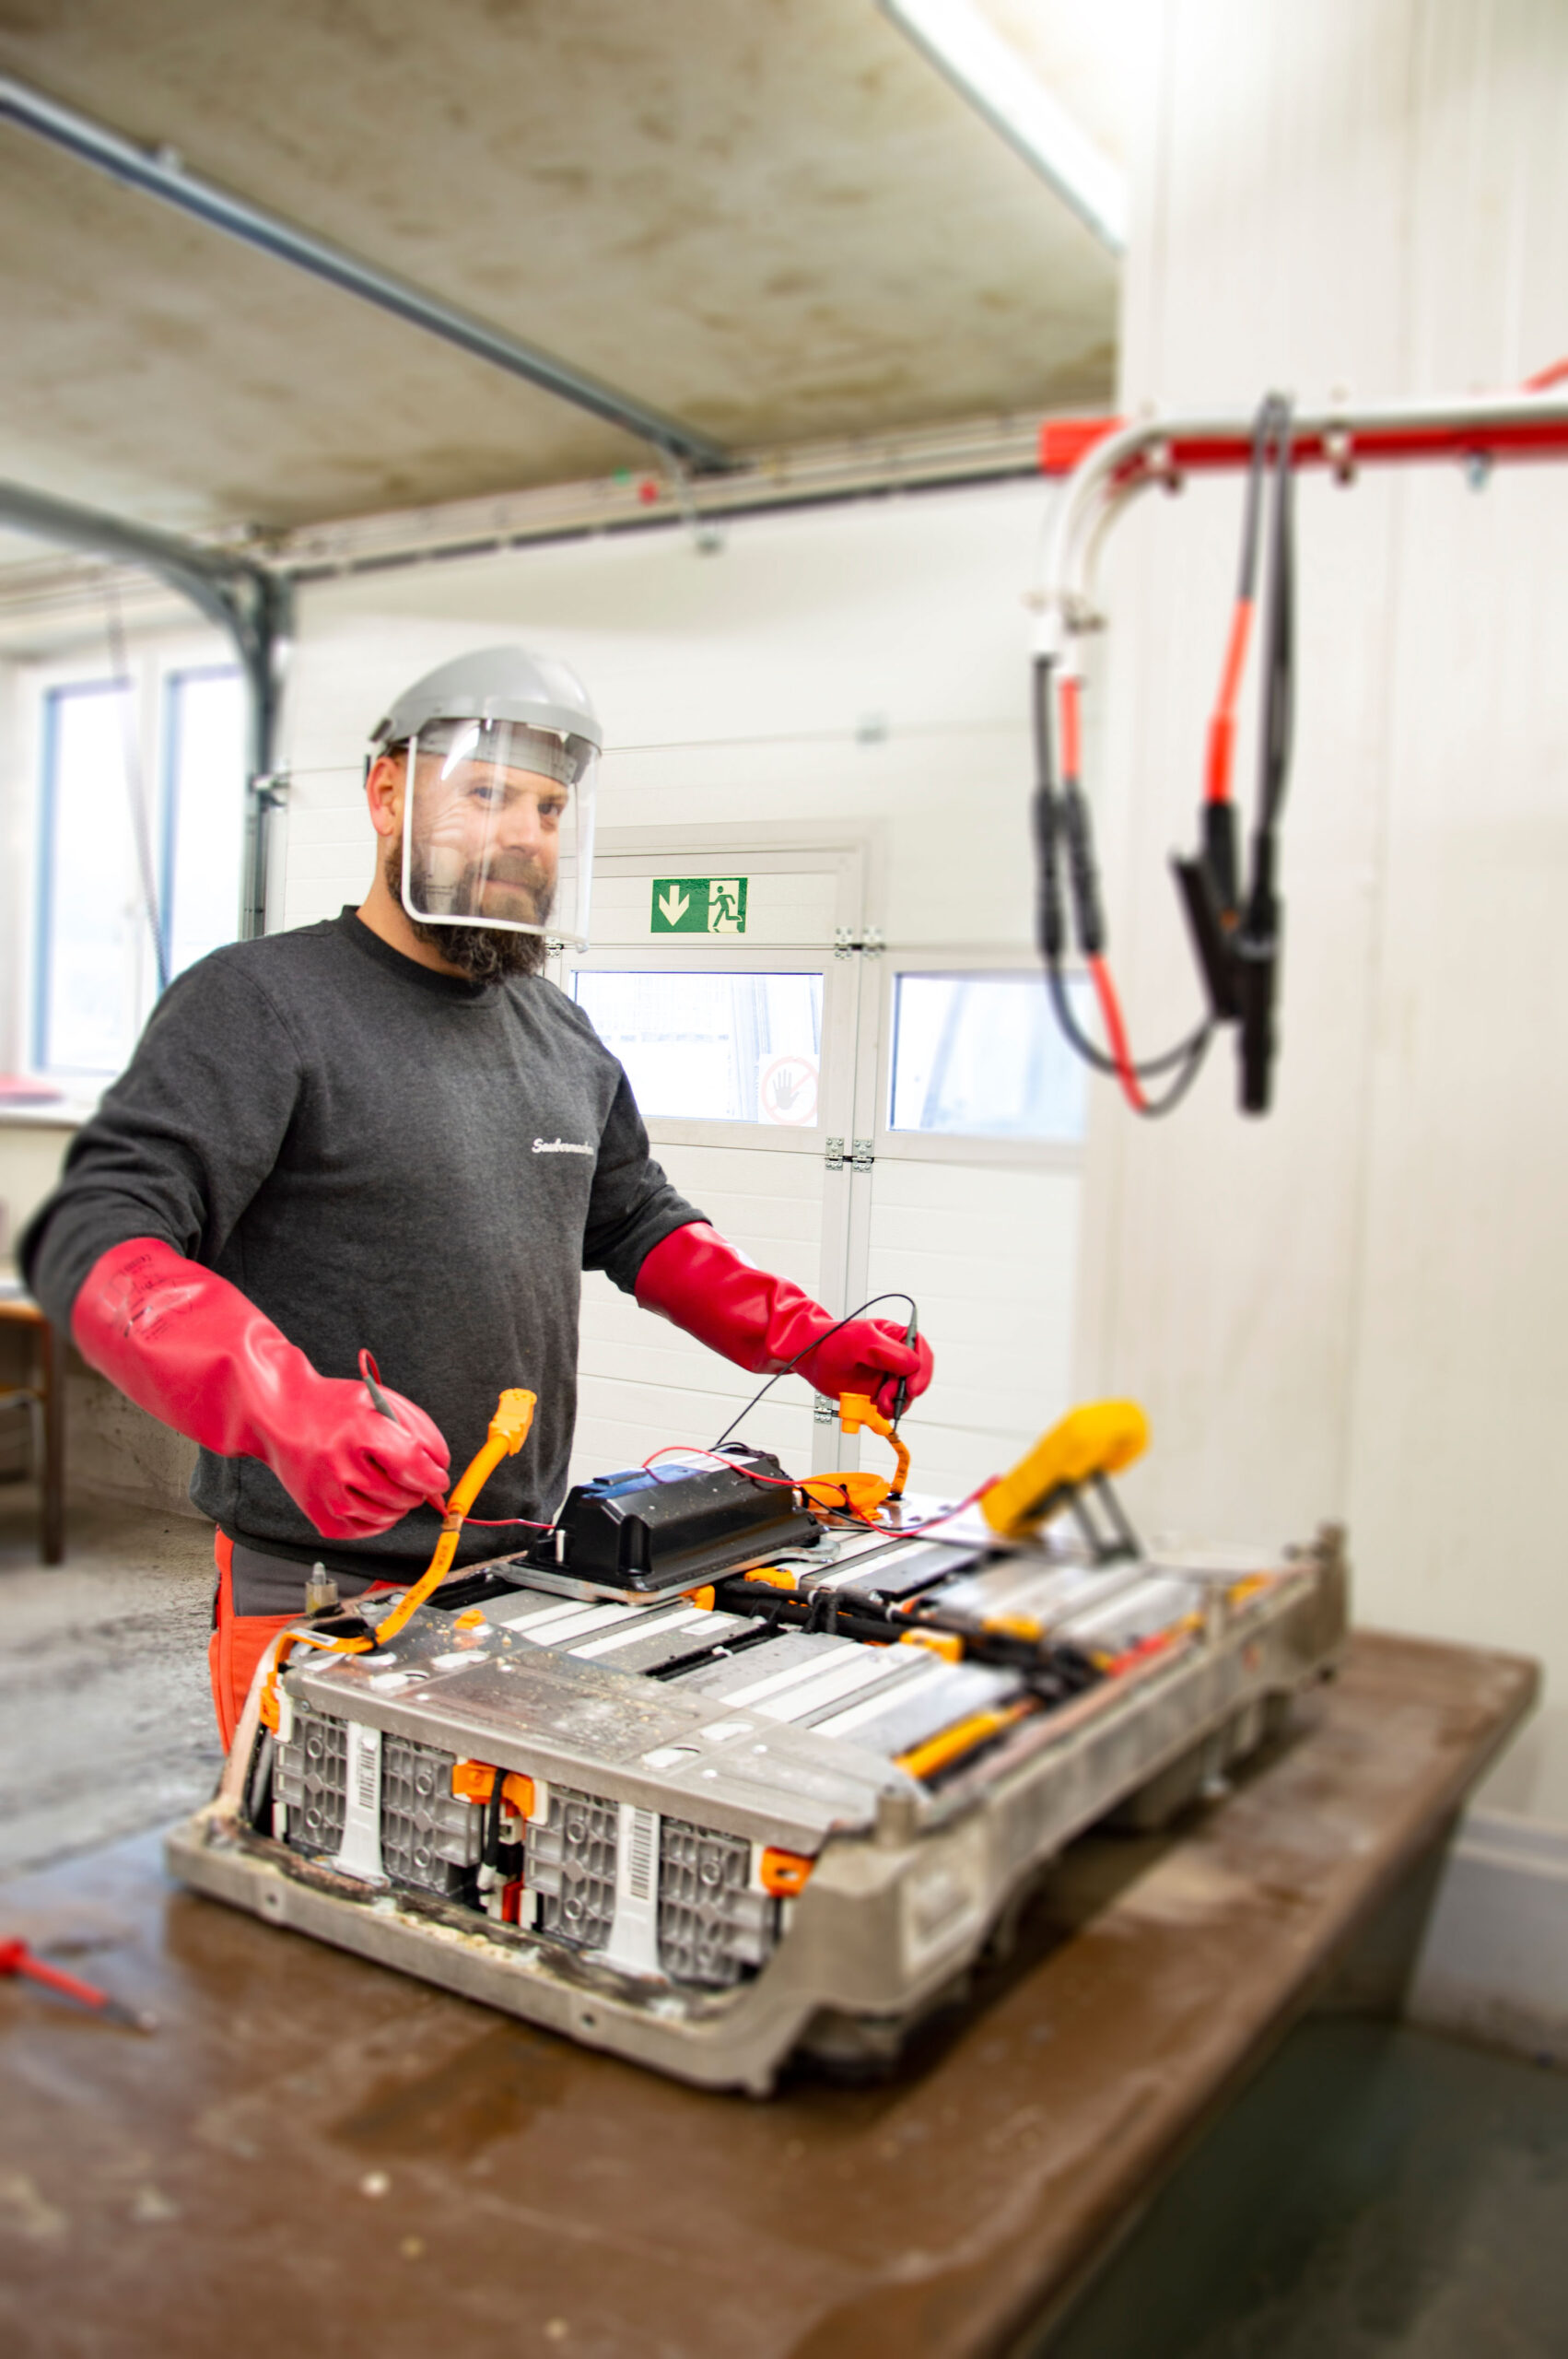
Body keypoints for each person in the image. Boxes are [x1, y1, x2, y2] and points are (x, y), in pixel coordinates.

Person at [20, 646, 933, 1744]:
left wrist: (803, 1336)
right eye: (488, 794)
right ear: (386, 795)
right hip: (317, 1590)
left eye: (548, 808)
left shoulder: (559, 1031)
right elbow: (101, 1238)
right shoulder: (260, 1003)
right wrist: (283, 1403)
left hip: (521, 1570)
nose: (525, 835)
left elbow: (633, 1217)